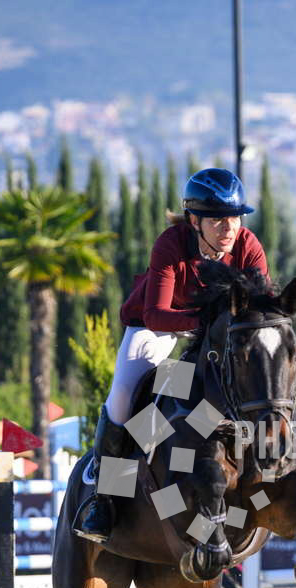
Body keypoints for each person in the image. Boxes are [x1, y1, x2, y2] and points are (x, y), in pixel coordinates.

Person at [74, 168, 268, 542]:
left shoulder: (248, 245)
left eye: (234, 218)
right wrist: (206, 322)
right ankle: (104, 497)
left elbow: (259, 308)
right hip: (160, 327)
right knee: (125, 398)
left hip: (217, 335)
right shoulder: (171, 243)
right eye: (217, 220)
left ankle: (273, 472)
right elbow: (155, 314)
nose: (229, 228)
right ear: (194, 221)